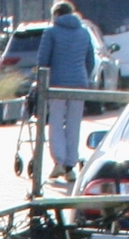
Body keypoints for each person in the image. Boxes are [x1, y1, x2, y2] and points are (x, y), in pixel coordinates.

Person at [30, 0, 98, 184]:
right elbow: (90, 59)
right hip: (79, 83)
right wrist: (85, 76)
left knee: (56, 123)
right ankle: (71, 166)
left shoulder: (51, 32)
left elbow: (43, 59)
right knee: (74, 125)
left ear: (56, 15)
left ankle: (59, 161)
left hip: (57, 83)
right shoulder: (84, 32)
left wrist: (39, 80)